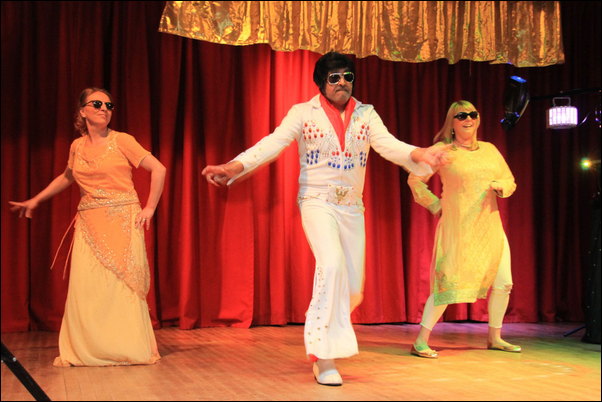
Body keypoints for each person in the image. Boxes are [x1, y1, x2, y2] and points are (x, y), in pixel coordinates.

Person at [202, 52, 451, 386]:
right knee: (331, 266)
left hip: (352, 207)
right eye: (334, 77)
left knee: (353, 289)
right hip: (316, 201)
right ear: (321, 82)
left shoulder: (366, 114)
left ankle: (319, 317)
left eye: (348, 76)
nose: (342, 82)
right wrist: (233, 166)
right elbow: (273, 143)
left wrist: (420, 153)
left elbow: (389, 145)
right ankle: (323, 357)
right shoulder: (303, 113)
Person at [10, 87, 166, 366]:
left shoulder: (122, 140)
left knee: (120, 287)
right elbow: (66, 177)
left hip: (122, 221)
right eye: (97, 104)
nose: (104, 108)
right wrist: (36, 200)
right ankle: (90, 348)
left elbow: (159, 169)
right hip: (89, 223)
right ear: (82, 111)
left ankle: (125, 348)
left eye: (109, 105)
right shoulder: (77, 146)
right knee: (89, 288)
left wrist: (150, 207)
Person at [407, 100, 520, 359]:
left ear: (478, 119)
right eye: (461, 115)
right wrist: (436, 205)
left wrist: (501, 187)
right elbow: (415, 180)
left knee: (503, 282)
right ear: (452, 123)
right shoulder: (443, 150)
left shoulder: (490, 150)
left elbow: (509, 180)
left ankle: (495, 338)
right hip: (458, 227)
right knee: (447, 283)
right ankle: (420, 341)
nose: (468, 119)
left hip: (490, 225)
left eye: (472, 114)